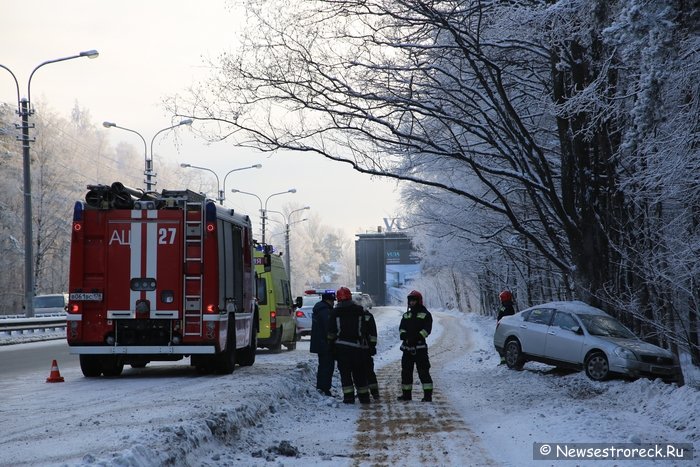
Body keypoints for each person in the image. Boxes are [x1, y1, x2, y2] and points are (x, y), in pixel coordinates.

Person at [327, 286, 371, 404]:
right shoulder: (359, 310)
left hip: (342, 348)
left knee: (345, 374)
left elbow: (331, 332)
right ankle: (364, 397)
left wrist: (331, 345)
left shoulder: (335, 312)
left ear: (338, 299)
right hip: (357, 347)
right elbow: (364, 329)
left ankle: (349, 398)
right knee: (360, 373)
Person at [398, 290, 433, 402]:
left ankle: (427, 396)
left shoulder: (426, 314)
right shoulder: (406, 315)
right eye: (410, 300)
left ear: (419, 301)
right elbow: (401, 328)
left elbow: (427, 330)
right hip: (407, 349)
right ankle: (406, 395)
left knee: (423, 372)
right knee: (406, 373)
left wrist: (417, 337)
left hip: (420, 349)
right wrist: (404, 336)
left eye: (414, 300)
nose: (412, 302)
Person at [310, 292, 336, 396]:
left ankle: (321, 387)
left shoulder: (320, 309)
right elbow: (328, 328)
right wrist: (332, 341)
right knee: (327, 366)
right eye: (332, 300)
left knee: (323, 366)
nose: (333, 303)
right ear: (328, 300)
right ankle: (325, 388)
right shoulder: (325, 311)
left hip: (320, 344)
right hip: (325, 344)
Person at [362, 305, 379, 400]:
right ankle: (371, 392)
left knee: (367, 372)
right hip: (363, 348)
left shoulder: (366, 316)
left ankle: (373, 392)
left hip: (364, 349)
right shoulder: (365, 316)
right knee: (367, 372)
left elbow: (373, 333)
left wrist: (372, 345)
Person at [497, 290, 515, 365]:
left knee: (500, 343)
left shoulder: (505, 307)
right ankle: (505, 359)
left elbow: (501, 316)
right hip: (506, 327)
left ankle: (503, 360)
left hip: (503, 327)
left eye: (501, 298)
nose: (500, 300)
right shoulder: (510, 306)